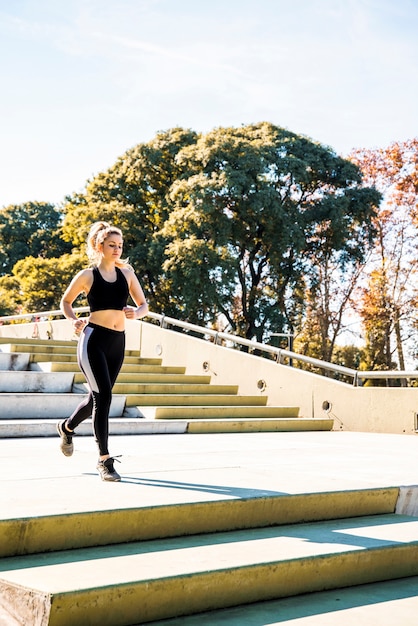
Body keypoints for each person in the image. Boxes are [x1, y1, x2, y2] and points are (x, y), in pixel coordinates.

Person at [57, 221, 148, 481]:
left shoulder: (127, 273)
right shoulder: (88, 275)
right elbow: (66, 301)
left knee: (96, 398)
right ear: (100, 246)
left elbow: (143, 305)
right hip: (93, 340)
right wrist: (73, 318)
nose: (117, 249)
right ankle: (104, 460)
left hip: (117, 342)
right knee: (104, 397)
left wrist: (135, 313)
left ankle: (66, 427)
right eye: (112, 245)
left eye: (120, 245)